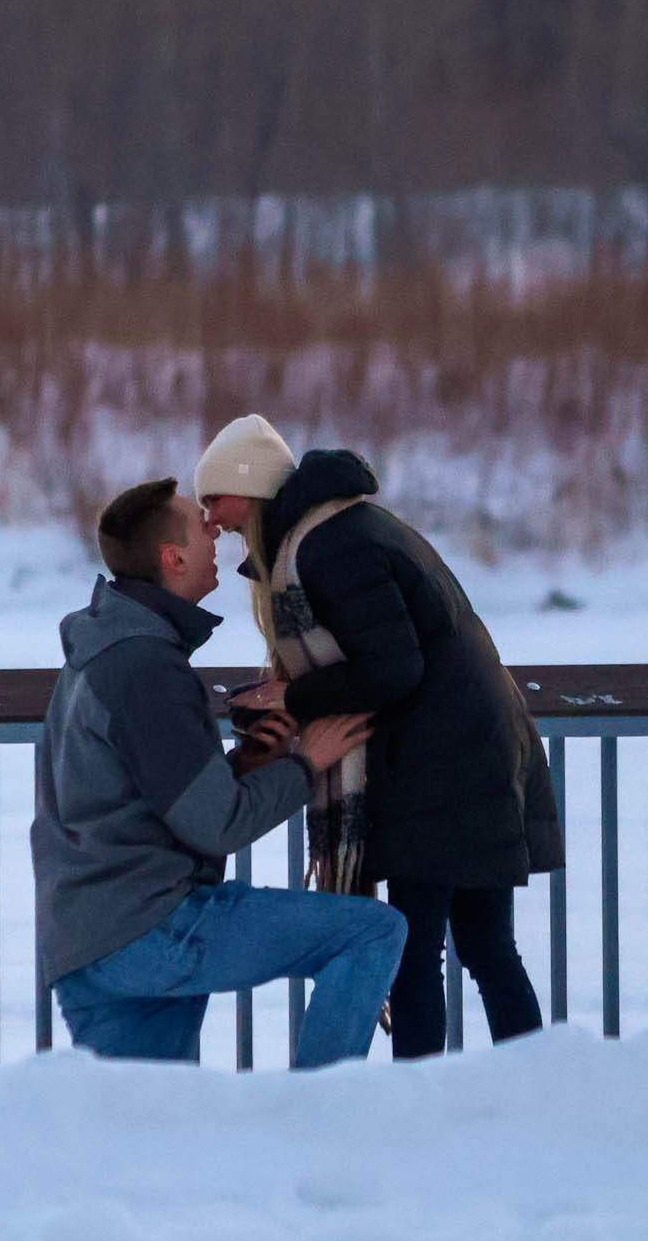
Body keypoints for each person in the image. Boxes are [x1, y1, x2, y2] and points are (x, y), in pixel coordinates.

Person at [193, 415, 565, 1060]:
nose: (211, 520)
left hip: (440, 766)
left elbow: (393, 668)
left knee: (413, 953)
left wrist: (296, 696)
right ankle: (534, 1087)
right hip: (471, 749)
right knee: (483, 946)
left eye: (215, 500)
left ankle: (418, 1101)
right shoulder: (342, 528)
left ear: (247, 491)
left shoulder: (330, 546)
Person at [31, 477, 408, 1069]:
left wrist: (248, 764)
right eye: (197, 524)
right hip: (150, 928)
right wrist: (307, 763)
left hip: (84, 945)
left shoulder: (106, 649)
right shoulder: (145, 666)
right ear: (172, 558)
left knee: (148, 1134)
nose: (214, 530)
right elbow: (218, 825)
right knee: (371, 933)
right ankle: (319, 1118)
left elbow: (157, 797)